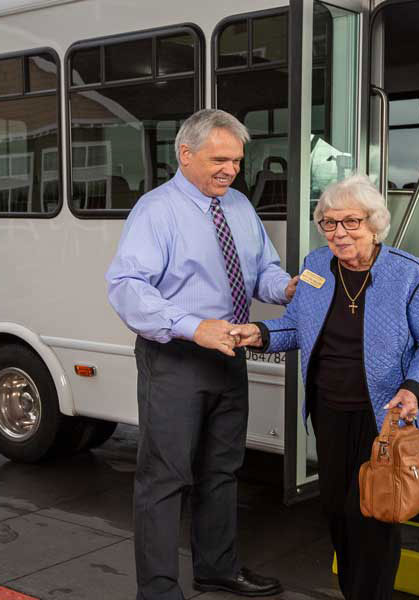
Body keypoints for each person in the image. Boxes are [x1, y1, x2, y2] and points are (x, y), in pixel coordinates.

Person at [106, 109, 298, 600]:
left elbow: (263, 272)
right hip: (175, 360)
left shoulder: (237, 206)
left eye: (236, 160)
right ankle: (159, 591)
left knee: (223, 469)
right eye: (219, 159)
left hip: (229, 356)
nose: (230, 170)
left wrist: (289, 288)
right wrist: (195, 327)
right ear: (185, 154)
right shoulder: (156, 210)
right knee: (165, 478)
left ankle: (216, 567)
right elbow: (127, 287)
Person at [232, 174, 419, 600]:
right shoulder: (316, 267)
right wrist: (258, 332)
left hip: (388, 414)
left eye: (351, 222)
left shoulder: (411, 274)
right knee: (337, 509)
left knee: (375, 513)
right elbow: (297, 326)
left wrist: (415, 387)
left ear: (374, 224)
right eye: (329, 223)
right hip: (330, 409)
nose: (339, 233)